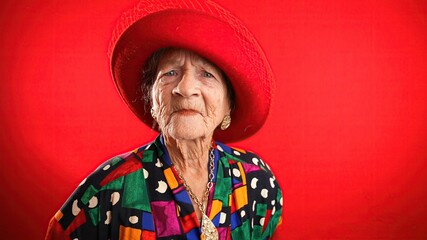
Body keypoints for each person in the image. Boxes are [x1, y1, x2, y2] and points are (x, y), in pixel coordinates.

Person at [45, 0, 283, 239]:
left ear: (228, 105)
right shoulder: (107, 189)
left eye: (206, 74)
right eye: (171, 72)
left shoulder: (257, 179)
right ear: (152, 99)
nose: (186, 88)